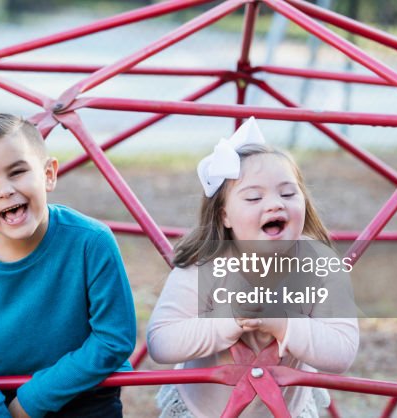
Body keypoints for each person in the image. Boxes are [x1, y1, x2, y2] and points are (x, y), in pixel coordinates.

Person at [0, 113, 137, 417]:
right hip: (4, 401)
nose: (5, 190)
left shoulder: (91, 242)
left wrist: (31, 401)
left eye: (17, 172)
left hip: (88, 398)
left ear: (48, 174)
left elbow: (114, 338)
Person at [145, 118, 359, 418]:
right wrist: (229, 321)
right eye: (254, 197)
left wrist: (282, 322)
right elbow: (161, 342)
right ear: (224, 216)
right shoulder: (204, 263)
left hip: (286, 410)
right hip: (204, 410)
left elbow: (342, 351)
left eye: (288, 194)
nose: (274, 204)